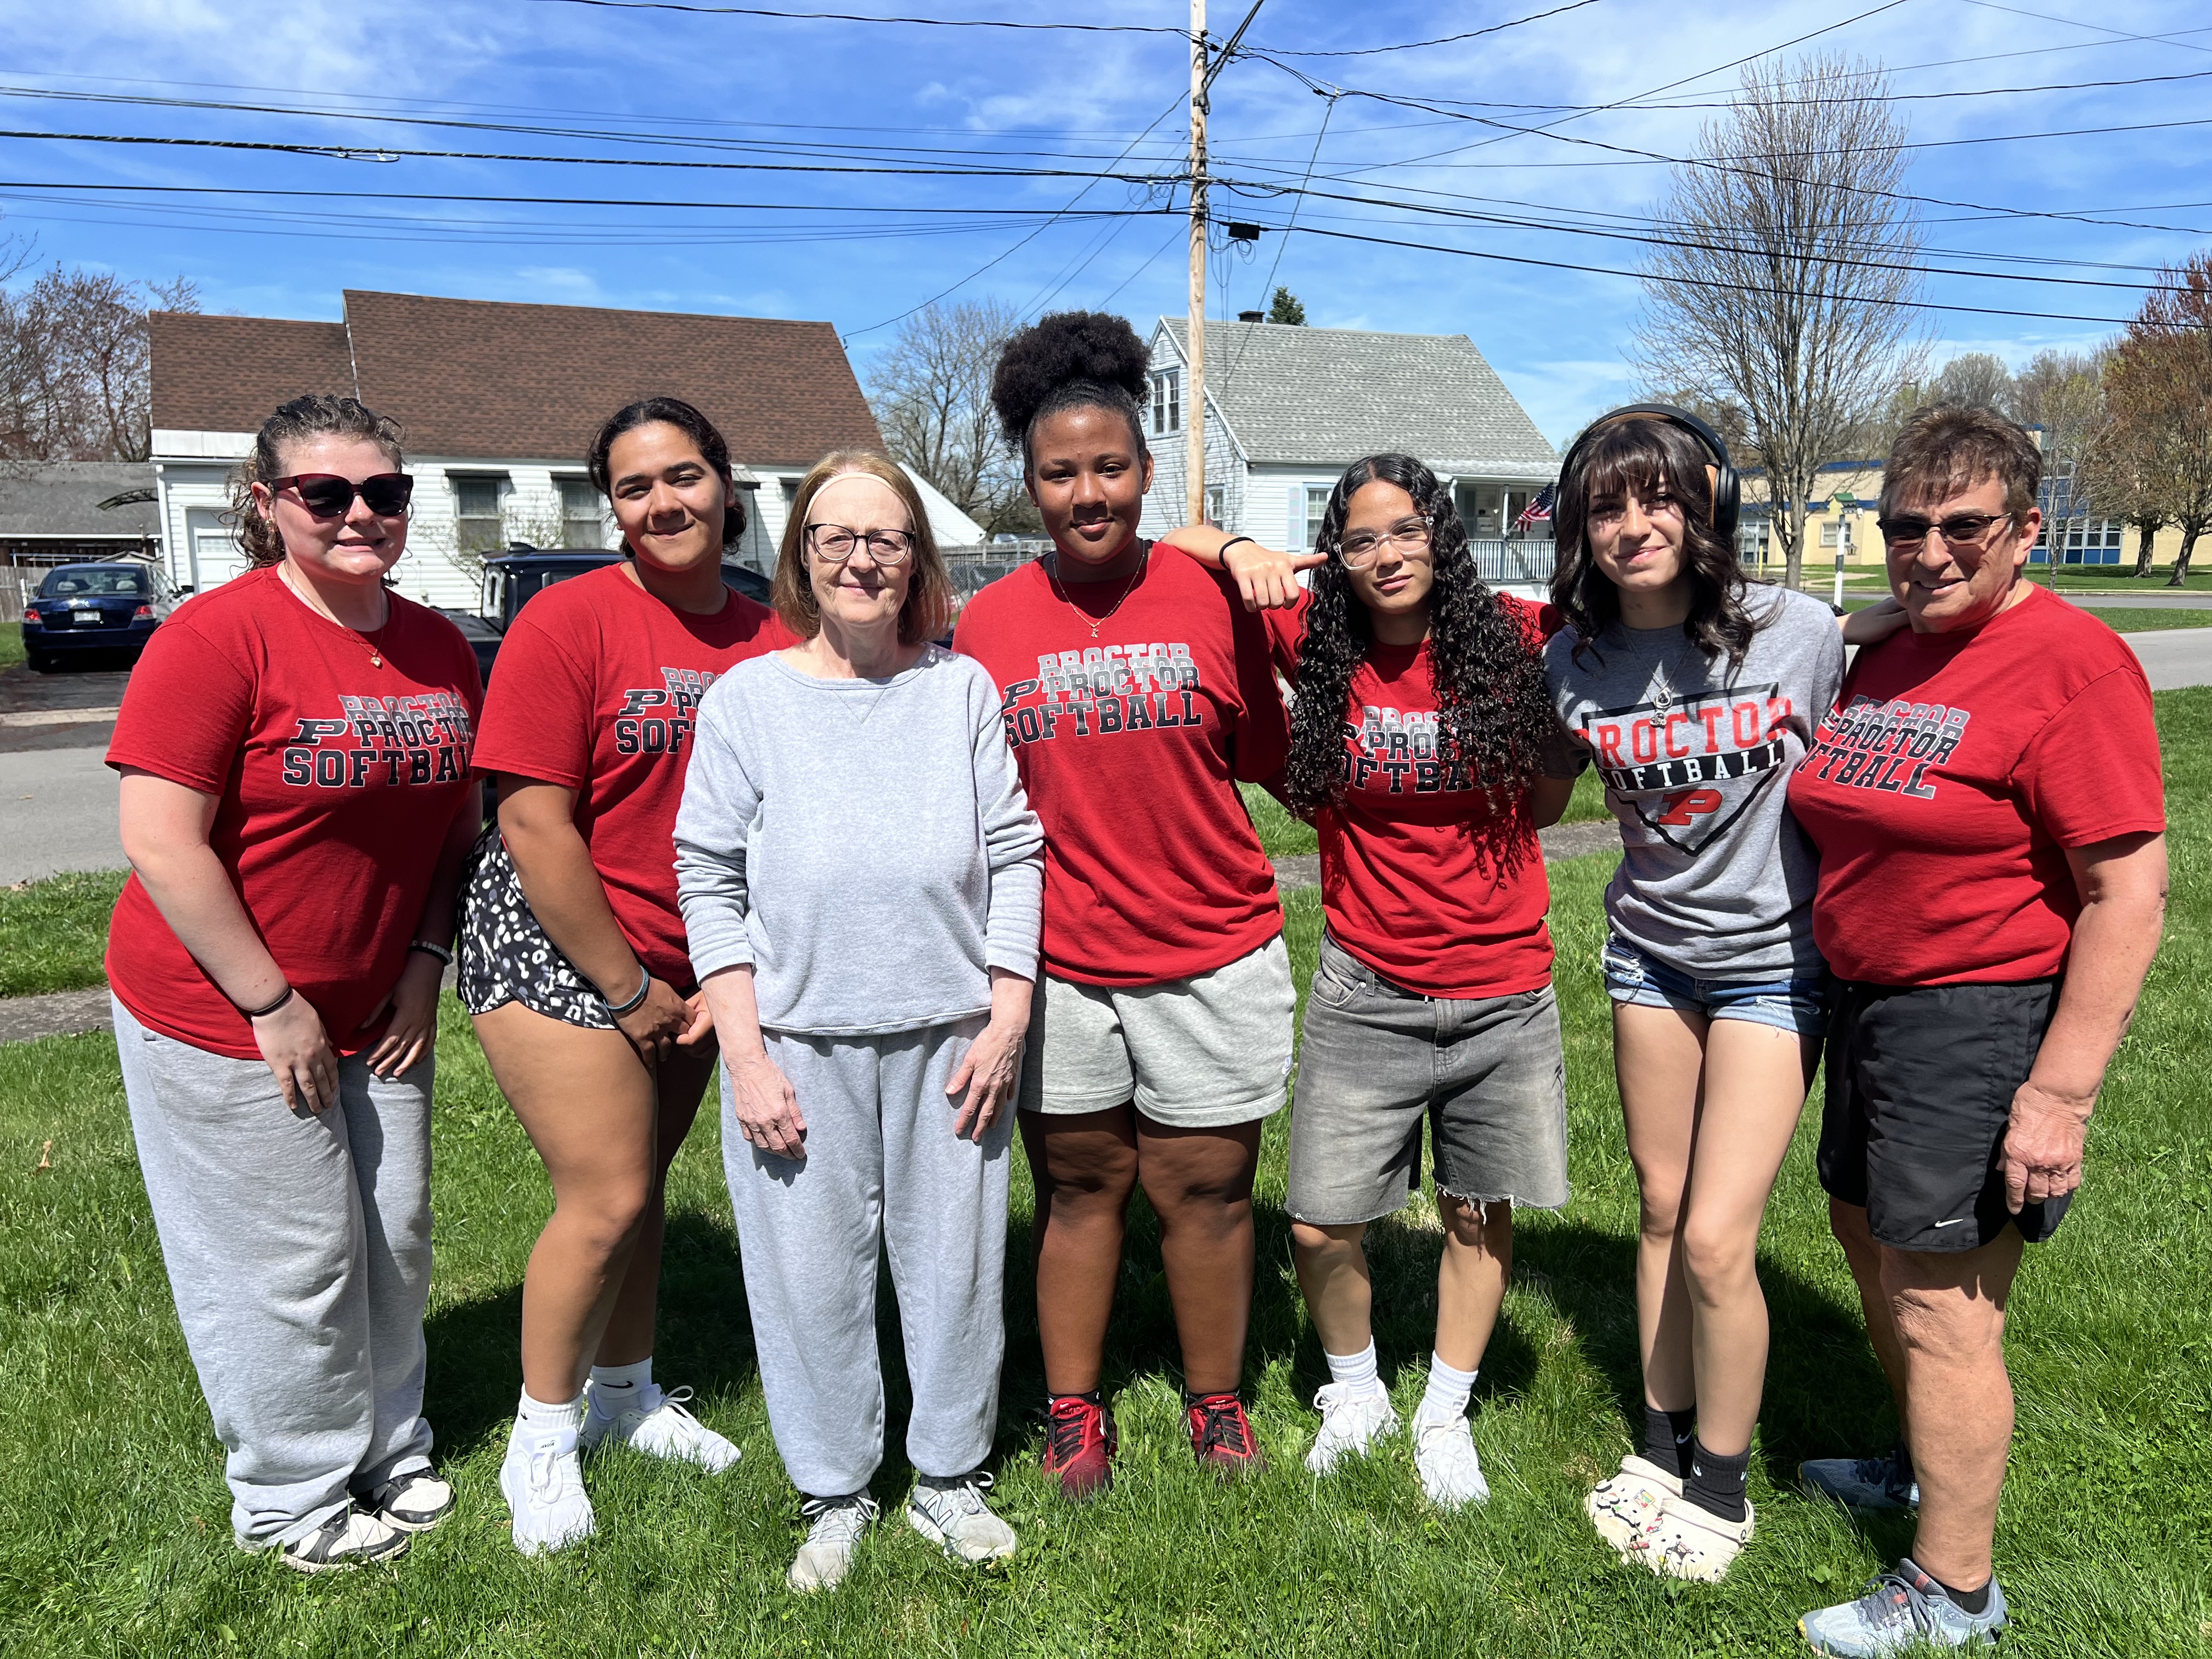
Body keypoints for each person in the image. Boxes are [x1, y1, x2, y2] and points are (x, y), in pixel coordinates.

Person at [1787, 405, 2166, 1655]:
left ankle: (1955, 1588)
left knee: (1941, 1304)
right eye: (1906, 525)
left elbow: (2127, 891)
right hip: (1871, 1004)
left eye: (1964, 527)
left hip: (1979, 1012)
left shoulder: (2073, 665)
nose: (1930, 550)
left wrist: (2060, 1097)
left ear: (2027, 532)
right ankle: (1913, 1466)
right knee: (1866, 1238)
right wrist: (1854, 623)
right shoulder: (1892, 650)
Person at [106, 394, 482, 1572]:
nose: (360, 514)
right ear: (269, 506)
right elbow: (161, 838)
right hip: (224, 1008)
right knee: (290, 1258)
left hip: (380, 1002)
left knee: (394, 1233)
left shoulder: (436, 646)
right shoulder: (216, 637)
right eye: (327, 494)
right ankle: (293, 1492)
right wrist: (272, 1004)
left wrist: (426, 965)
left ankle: (387, 1443)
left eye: (385, 492)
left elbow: (449, 836)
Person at [1163, 454, 1575, 1510]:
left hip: (1503, 983)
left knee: (1478, 1211)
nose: (1386, 556)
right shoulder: (1319, 640)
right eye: (1359, 540)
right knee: (1318, 1220)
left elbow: (1649, 609)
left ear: (1441, 534)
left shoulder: (1513, 637)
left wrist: (1867, 630)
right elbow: (1180, 542)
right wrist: (1248, 549)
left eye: (1405, 532)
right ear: (1334, 555)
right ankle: (1355, 1393)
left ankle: (1444, 1407)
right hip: (1366, 983)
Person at [675, 452, 1043, 1592]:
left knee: (954, 1273)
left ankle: (945, 1480)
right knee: (811, 1278)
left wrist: (1009, 1010)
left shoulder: (960, 691)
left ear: (917, 563)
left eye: (885, 541)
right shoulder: (748, 701)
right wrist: (744, 1053)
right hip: (798, 1043)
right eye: (834, 538)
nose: (860, 560)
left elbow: (1015, 852)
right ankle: (833, 1492)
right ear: (800, 556)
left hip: (951, 1040)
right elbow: (709, 875)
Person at [953, 312, 1297, 1497]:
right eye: (1061, 473)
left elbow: (1274, 743)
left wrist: (1237, 545)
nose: (1089, 492)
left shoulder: (1210, 593)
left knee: (1205, 1193)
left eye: (1111, 467)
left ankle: (1216, 1408)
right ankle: (1072, 1412)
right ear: (1032, 482)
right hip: (1059, 965)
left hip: (1212, 947)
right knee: (1083, 1187)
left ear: (1147, 473)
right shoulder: (987, 626)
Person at [1538, 406, 1879, 1580]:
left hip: (1776, 965)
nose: (1636, 527)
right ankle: (1659, 1440)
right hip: (1648, 956)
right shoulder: (1571, 658)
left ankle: (1722, 1494)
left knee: (1723, 1238)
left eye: (1661, 498)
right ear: (1581, 528)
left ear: (1708, 503)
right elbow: (1536, 780)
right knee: (1660, 1208)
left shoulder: (1795, 633)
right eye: (1609, 507)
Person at [459, 397, 791, 1554]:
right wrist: (629, 989)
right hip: (560, 942)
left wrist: (710, 976)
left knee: (644, 1190)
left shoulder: (767, 634)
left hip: (695, 959)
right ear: (613, 508)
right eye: (637, 487)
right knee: (603, 1198)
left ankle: (625, 1399)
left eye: (685, 475)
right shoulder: (571, 622)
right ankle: (538, 1443)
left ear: (728, 481)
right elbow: (534, 821)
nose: (665, 503)